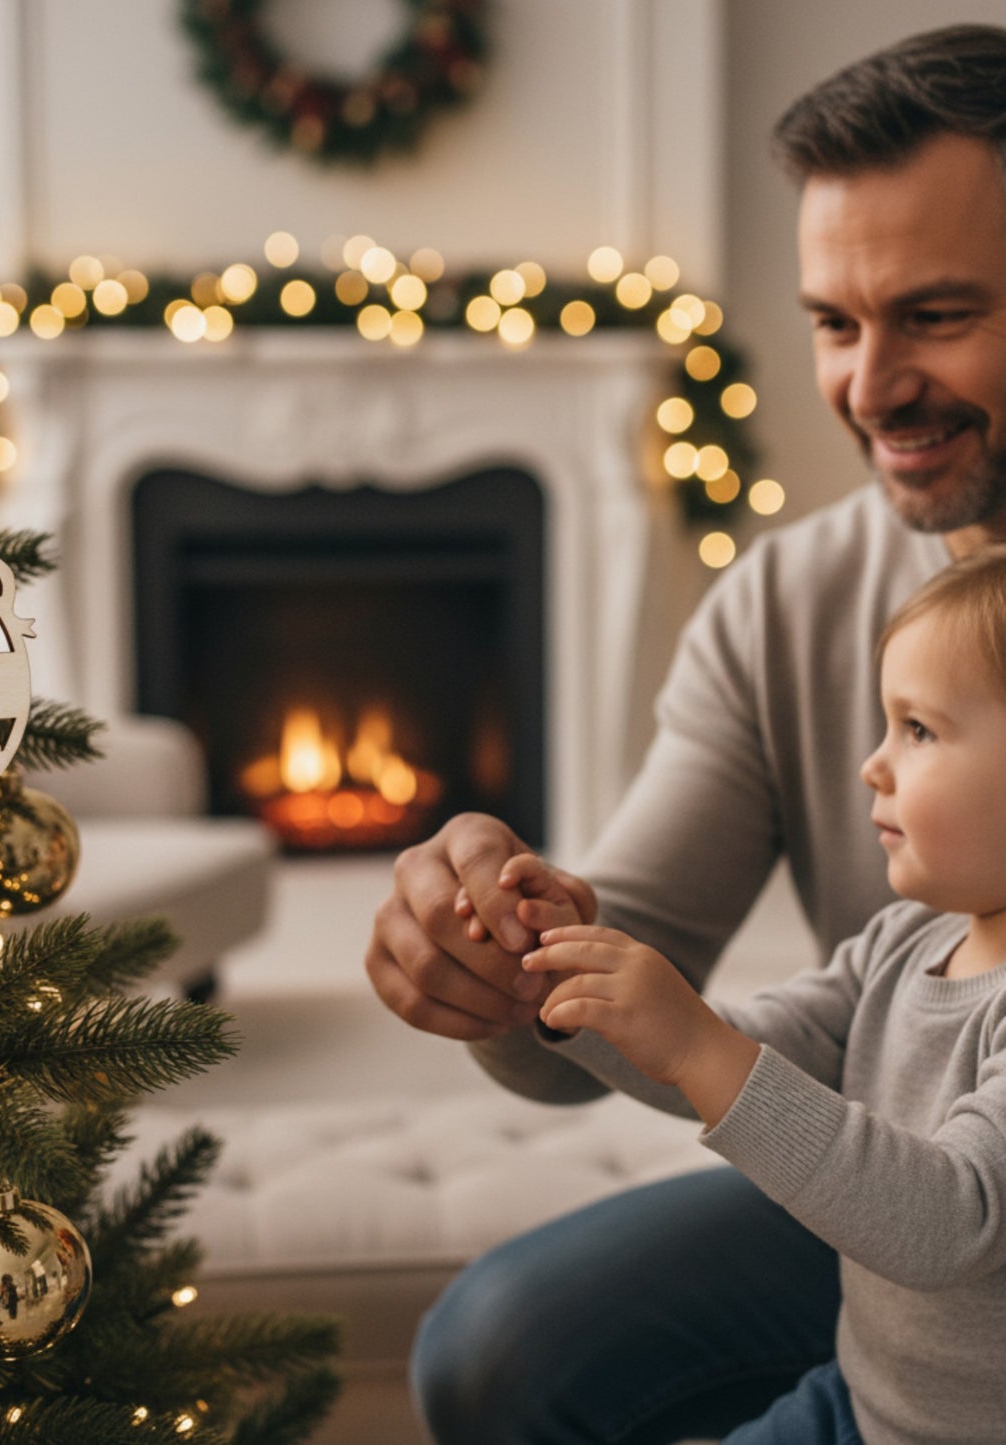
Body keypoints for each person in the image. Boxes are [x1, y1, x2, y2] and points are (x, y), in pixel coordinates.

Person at [362, 24, 1006, 1443]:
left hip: (970, 1213)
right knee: (502, 1348)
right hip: (903, 1209)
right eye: (836, 323)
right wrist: (506, 943)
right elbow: (639, 998)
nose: (869, 385)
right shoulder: (789, 596)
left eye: (940, 315)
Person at [518, 546, 1006, 1442]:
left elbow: (948, 1219)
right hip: (859, 1405)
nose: (872, 764)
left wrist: (700, 1047)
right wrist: (565, 974)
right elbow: (734, 1046)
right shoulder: (902, 943)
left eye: (918, 729)